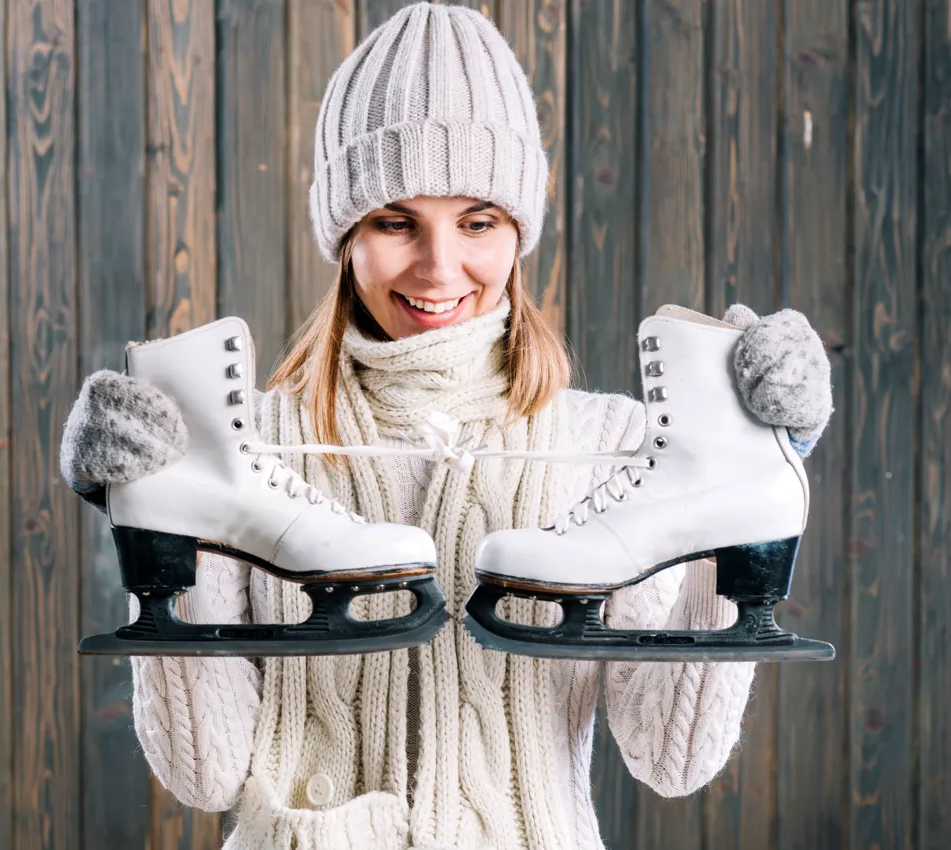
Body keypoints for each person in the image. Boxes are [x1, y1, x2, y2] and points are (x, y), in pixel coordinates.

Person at [60, 3, 832, 848]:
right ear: (345, 234)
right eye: (396, 221)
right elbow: (203, 770)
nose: (438, 267)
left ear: (517, 233)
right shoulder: (255, 444)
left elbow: (671, 758)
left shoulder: (617, 449)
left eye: (478, 221)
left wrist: (747, 472)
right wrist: (155, 511)